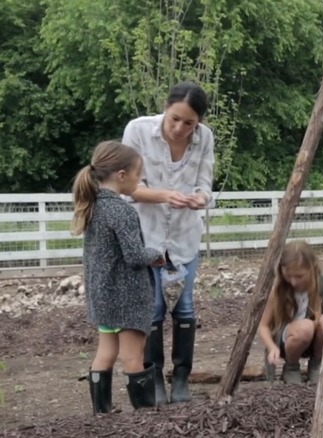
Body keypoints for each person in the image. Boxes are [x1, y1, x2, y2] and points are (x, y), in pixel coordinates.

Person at [121, 81, 214, 405]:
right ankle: (155, 378)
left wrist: (200, 198)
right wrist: (165, 195)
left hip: (185, 237)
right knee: (154, 311)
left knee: (185, 308)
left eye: (190, 123)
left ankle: (182, 379)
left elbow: (205, 182)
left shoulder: (205, 139)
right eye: (175, 118)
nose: (180, 128)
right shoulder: (137, 131)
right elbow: (128, 186)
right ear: (165, 107)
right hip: (147, 238)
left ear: (198, 122)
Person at [70, 140, 165, 413]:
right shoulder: (121, 210)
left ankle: (102, 412)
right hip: (127, 297)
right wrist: (155, 253)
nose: (139, 180)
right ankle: (144, 414)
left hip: (102, 295)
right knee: (133, 356)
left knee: (106, 353)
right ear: (122, 175)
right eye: (138, 174)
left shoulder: (93, 206)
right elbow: (134, 256)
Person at [258, 240, 323, 384]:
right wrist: (271, 347)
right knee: (305, 327)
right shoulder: (278, 290)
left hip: (314, 342)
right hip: (288, 342)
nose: (293, 281)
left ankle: (317, 364)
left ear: (312, 268)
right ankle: (291, 367)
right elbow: (263, 326)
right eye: (288, 275)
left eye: (299, 276)